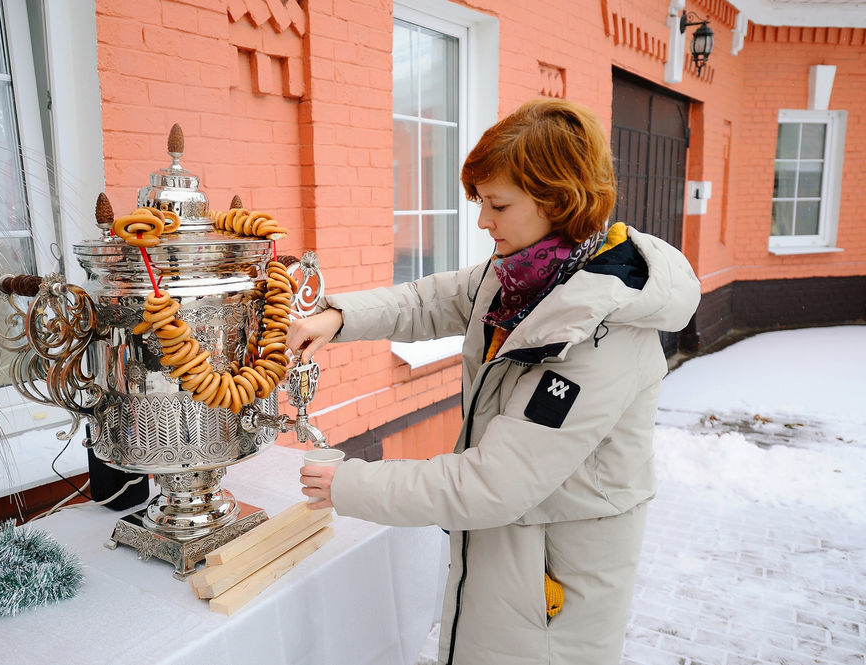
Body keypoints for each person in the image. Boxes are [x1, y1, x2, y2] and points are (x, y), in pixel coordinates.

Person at [287, 98, 701, 665]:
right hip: (510, 552)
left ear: (559, 200)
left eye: (498, 205)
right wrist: (337, 318)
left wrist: (348, 486)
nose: (483, 222)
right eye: (481, 202)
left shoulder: (598, 332)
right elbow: (428, 299)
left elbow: (492, 485)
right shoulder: (524, 277)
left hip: (553, 581)